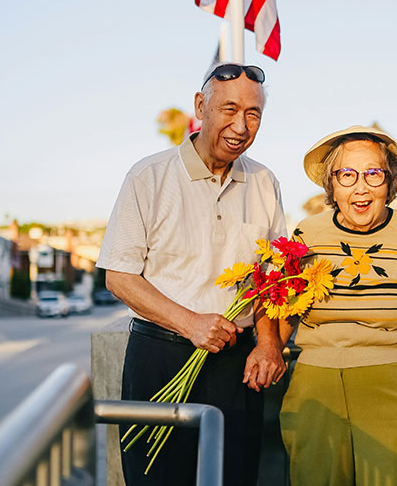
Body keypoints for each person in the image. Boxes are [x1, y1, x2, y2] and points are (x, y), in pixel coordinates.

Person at [96, 63, 287, 486]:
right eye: (229, 109)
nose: (241, 125)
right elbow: (119, 276)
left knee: (232, 478)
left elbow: (273, 280)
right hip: (158, 360)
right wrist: (191, 323)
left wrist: (269, 341)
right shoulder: (148, 176)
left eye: (253, 113)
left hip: (237, 368)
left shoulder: (264, 181)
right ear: (201, 106)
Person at [278, 125, 397, 486]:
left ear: (389, 183)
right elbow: (284, 313)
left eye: (373, 174)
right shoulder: (307, 237)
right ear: (332, 185)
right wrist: (266, 349)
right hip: (316, 390)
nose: (360, 187)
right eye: (346, 175)